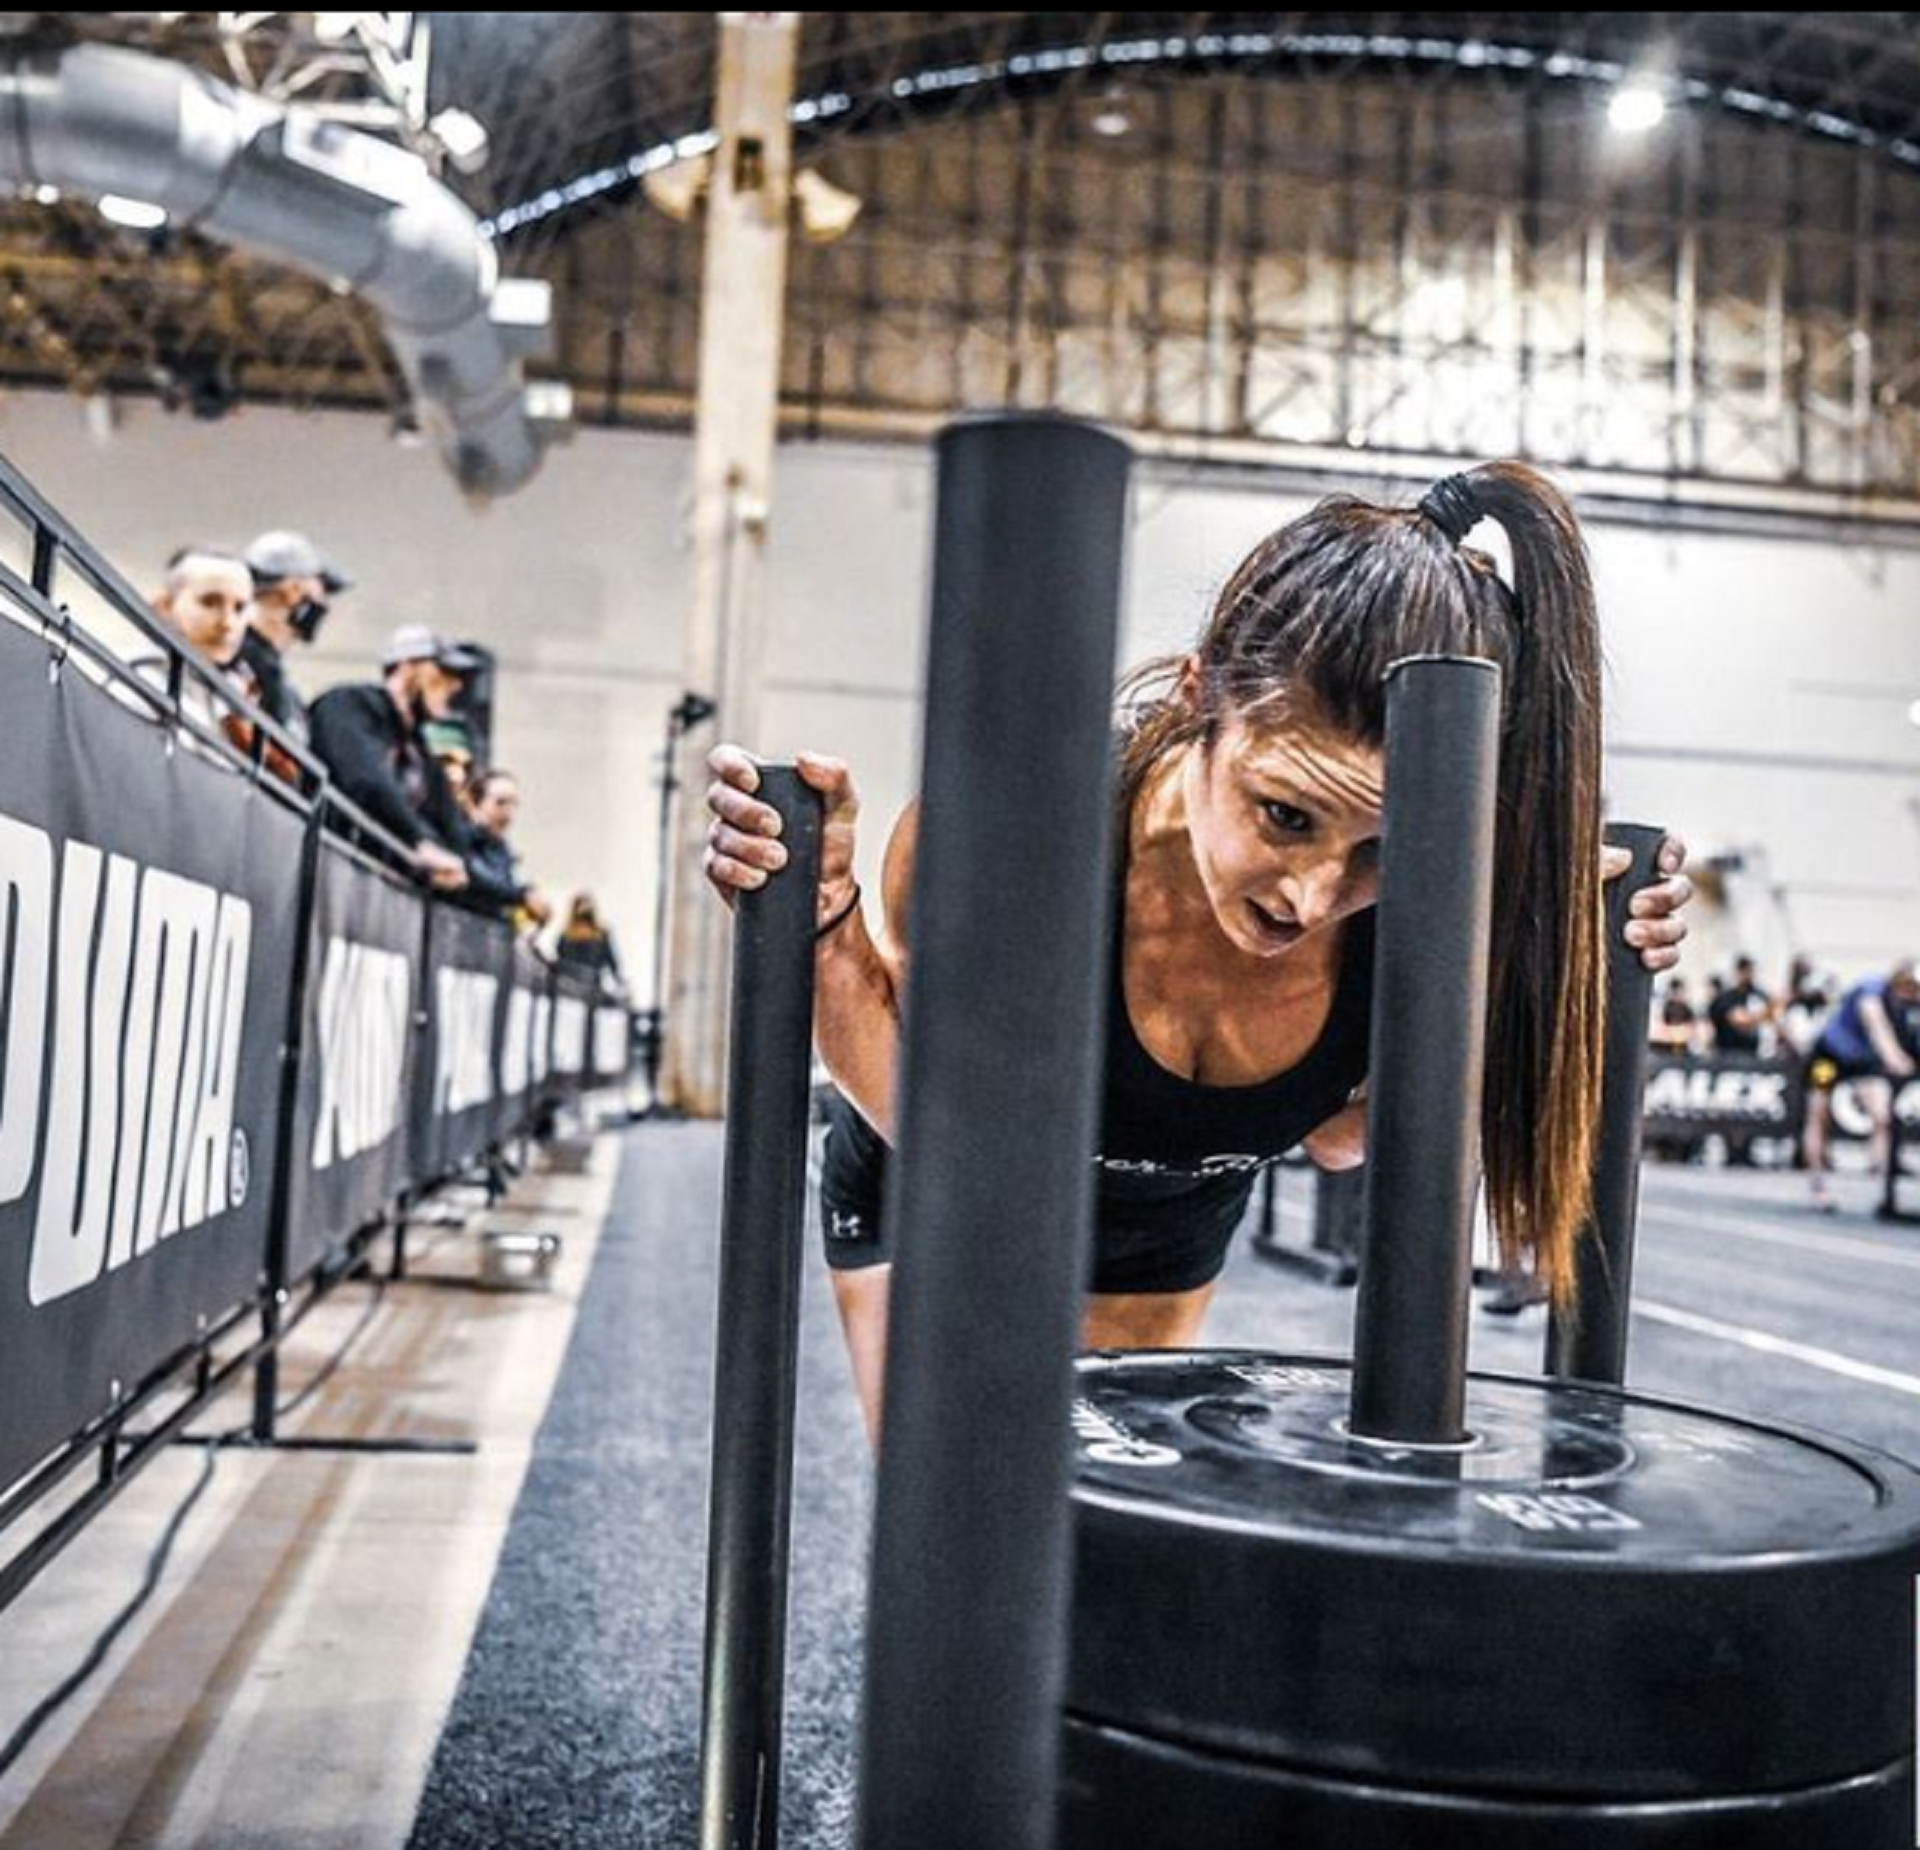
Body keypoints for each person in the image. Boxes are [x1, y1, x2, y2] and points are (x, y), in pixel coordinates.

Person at [705, 462, 1691, 1441]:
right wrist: (825, 913)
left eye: (1379, 850)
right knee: (961, 1524)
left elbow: (1338, 1137)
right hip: (938, 1166)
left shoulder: (1435, 900)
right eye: (1285, 814)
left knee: (1107, 1532)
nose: (1310, 895)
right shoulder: (1012, 828)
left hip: (1172, 1215)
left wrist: (1551, 977)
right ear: (1196, 698)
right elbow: (926, 1099)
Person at [309, 626, 477, 890]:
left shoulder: (420, 751)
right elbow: (364, 778)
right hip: (327, 873)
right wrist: (419, 840)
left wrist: (449, 860)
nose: (455, 685)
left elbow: (453, 831)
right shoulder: (349, 703)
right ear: (408, 666)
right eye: (443, 671)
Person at [1801, 960, 1920, 1212]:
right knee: (1819, 1115)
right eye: (1911, 987)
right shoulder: (1872, 988)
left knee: (1883, 1116)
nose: (1913, 994)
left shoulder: (1906, 1003)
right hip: (1829, 1058)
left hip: (1861, 1062)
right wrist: (1895, 1058)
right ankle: (1818, 1186)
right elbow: (1876, 1025)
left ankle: (1887, 1189)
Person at [238, 529, 351, 746]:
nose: (325, 603)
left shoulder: (276, 676)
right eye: (323, 589)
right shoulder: (239, 655)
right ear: (293, 589)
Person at [462, 768, 551, 928]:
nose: (509, 813)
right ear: (475, 804)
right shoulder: (463, 838)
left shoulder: (501, 849)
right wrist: (523, 896)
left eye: (514, 804)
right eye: (500, 803)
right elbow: (476, 876)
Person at [1708, 955, 1771, 1057]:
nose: (1749, 975)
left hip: (1753, 1054)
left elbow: (1773, 1014)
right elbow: (1739, 1020)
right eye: (1746, 971)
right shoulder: (1726, 997)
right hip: (1728, 1054)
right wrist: (1762, 1015)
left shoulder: (1759, 995)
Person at [554, 893, 622, 982]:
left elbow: (612, 961)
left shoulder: (602, 933)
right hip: (571, 984)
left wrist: (618, 980)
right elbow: (560, 960)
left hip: (592, 984)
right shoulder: (565, 935)